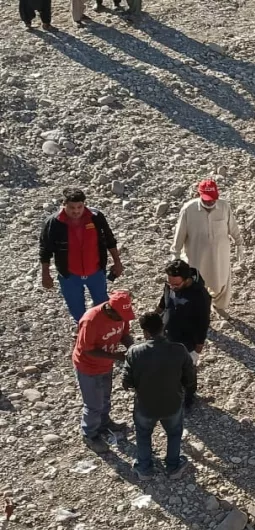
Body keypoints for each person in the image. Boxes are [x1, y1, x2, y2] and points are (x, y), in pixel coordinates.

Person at [122, 312, 195, 480]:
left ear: (145, 332)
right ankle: (173, 466)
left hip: (145, 406)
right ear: (163, 328)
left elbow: (127, 382)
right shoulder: (179, 350)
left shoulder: (134, 352)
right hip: (172, 403)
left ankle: (144, 469)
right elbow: (190, 378)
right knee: (174, 433)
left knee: (143, 434)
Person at [40, 188, 124, 324]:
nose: (76, 211)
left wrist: (117, 262)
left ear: (84, 204)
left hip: (96, 272)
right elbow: (45, 249)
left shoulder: (96, 217)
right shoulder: (54, 223)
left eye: (79, 207)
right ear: (64, 204)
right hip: (69, 275)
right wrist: (45, 274)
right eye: (72, 207)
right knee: (76, 308)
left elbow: (109, 239)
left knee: (102, 304)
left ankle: (102, 330)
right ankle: (83, 330)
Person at [73, 290, 136, 453]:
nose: (123, 319)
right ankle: (89, 434)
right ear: (109, 309)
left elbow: (124, 334)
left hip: (106, 365)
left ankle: (103, 421)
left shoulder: (121, 315)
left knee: (106, 396)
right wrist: (116, 356)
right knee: (93, 403)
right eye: (120, 316)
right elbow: (87, 350)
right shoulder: (91, 320)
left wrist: (134, 349)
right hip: (88, 367)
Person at [172, 179, 244, 313]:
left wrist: (239, 243)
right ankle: (198, 310)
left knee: (221, 282)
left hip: (220, 255)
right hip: (196, 256)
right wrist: (175, 255)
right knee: (196, 283)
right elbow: (180, 233)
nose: (210, 202)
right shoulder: (189, 209)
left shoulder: (224, 207)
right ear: (199, 195)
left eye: (213, 199)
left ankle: (219, 306)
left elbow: (232, 227)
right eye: (207, 199)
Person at [157, 259, 212, 366]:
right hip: (166, 338)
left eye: (176, 285)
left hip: (186, 345)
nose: (172, 287)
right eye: (170, 283)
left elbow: (203, 321)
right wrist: (156, 314)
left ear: (187, 280)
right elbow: (164, 299)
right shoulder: (171, 284)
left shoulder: (200, 296)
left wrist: (199, 344)